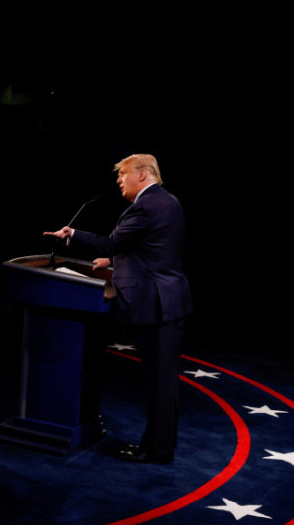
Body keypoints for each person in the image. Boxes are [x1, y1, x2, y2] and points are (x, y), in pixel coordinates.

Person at [44, 153, 192, 464]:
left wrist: (74, 235)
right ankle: (157, 446)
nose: (119, 180)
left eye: (123, 174)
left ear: (143, 173)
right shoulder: (169, 201)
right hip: (167, 301)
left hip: (156, 304)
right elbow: (153, 247)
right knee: (160, 382)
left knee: (159, 383)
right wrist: (113, 262)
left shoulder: (145, 206)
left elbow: (112, 241)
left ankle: (156, 450)